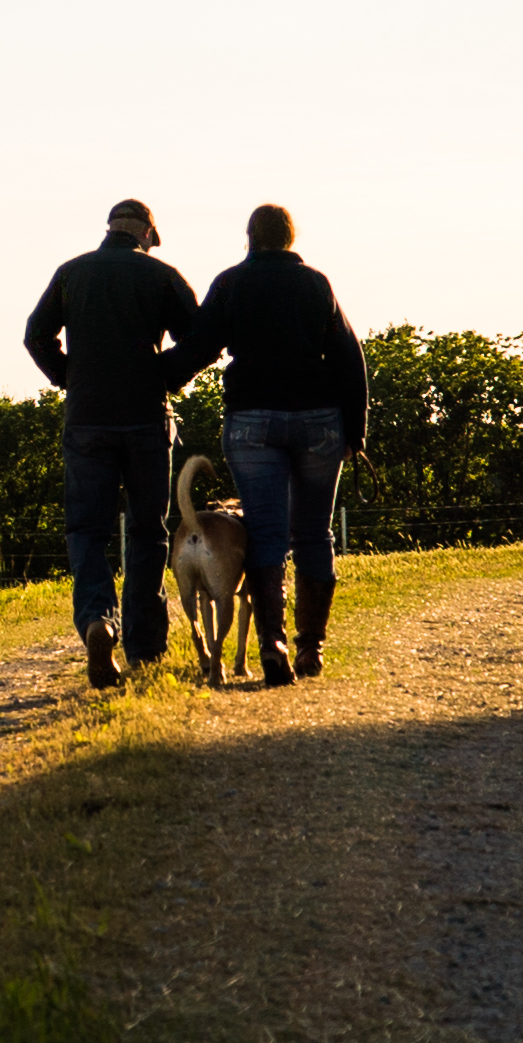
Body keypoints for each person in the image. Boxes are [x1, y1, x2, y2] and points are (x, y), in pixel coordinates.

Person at [163, 204, 367, 685]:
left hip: (253, 420)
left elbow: (199, 345)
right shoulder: (316, 283)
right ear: (290, 239)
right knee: (315, 535)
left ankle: (272, 647)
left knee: (269, 535)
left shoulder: (232, 283)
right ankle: (310, 649)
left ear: (250, 237)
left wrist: (158, 376)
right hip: (319, 420)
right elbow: (348, 355)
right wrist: (355, 432)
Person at [23, 199, 197, 689]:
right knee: (148, 532)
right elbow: (201, 339)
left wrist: (68, 378)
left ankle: (99, 620)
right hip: (146, 421)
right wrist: (165, 376)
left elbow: (35, 336)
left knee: (86, 532)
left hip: (87, 421)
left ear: (109, 229)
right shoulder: (161, 276)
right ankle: (145, 646)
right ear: (146, 232)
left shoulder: (71, 273)